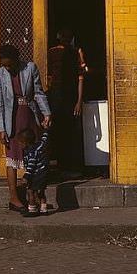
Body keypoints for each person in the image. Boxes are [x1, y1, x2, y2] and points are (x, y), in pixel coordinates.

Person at [0, 43, 51, 212]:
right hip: (12, 120)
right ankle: (14, 198)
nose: (8, 67)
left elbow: (38, 92)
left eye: (10, 64)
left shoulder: (30, 68)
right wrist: (1, 128)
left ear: (17, 59)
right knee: (13, 156)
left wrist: (46, 113)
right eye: (4, 64)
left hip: (30, 116)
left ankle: (34, 196)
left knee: (33, 155)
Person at [46, 28, 85, 175]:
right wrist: (79, 100)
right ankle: (65, 165)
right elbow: (81, 79)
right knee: (65, 130)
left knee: (63, 129)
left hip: (61, 96)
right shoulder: (75, 53)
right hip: (65, 96)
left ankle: (64, 165)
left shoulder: (54, 52)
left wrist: (78, 101)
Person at [17, 127, 50, 217]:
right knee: (41, 192)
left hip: (35, 174)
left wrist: (26, 177)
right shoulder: (39, 145)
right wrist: (46, 130)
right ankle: (44, 209)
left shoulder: (30, 152)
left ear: (25, 143)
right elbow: (44, 139)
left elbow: (31, 166)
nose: (19, 145)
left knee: (30, 191)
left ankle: (32, 209)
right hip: (43, 173)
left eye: (20, 143)